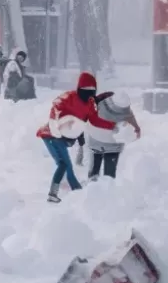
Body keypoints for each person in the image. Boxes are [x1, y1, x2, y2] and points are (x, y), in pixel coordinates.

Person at [36, 72, 115, 203]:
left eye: (91, 91)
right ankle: (57, 193)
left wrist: (112, 125)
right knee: (64, 164)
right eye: (85, 90)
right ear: (79, 89)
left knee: (65, 165)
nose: (88, 94)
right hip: (51, 135)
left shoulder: (90, 105)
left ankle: (74, 190)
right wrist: (54, 123)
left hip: (63, 138)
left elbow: (95, 120)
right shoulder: (69, 97)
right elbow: (56, 105)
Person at [85, 91, 141, 181]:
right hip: (101, 142)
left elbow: (129, 116)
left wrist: (136, 128)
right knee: (104, 173)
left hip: (108, 144)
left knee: (103, 173)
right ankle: (95, 185)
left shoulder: (105, 100)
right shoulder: (100, 106)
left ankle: (96, 185)